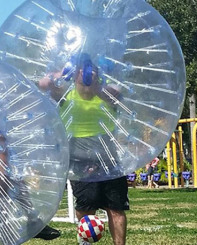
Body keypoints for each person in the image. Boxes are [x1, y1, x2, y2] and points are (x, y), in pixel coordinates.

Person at [40, 53, 128, 245]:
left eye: (91, 69)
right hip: (79, 154)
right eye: (81, 69)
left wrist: (96, 88)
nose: (86, 73)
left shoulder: (107, 92)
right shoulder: (65, 94)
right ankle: (85, 242)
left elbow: (118, 96)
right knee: (86, 204)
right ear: (73, 73)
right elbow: (43, 84)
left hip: (108, 154)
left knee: (115, 207)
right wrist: (63, 71)